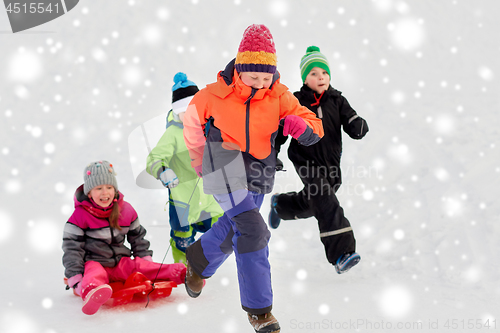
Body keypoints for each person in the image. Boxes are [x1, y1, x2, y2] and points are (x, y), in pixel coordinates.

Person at [182, 24, 324, 333]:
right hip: (223, 166)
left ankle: (198, 260)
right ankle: (260, 312)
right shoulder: (214, 95)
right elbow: (192, 122)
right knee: (253, 231)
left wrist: (301, 127)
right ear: (239, 71)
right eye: (253, 77)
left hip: (258, 171)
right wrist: (197, 159)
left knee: (236, 227)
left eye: (266, 77)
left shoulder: (278, 95)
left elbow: (314, 123)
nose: (260, 84)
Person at [270, 46, 369, 274]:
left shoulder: (337, 100)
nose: (320, 77)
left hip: (331, 163)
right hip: (305, 159)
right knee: (323, 196)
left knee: (317, 201)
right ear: (305, 78)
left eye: (323, 73)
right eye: (313, 73)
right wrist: (272, 155)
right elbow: (280, 131)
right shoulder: (295, 101)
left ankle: (281, 206)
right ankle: (342, 252)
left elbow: (351, 120)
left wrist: (358, 125)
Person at [62, 160, 186, 315]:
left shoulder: (125, 210)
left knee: (140, 267)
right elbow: (72, 248)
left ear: (115, 189)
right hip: (94, 262)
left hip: (120, 262)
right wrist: (75, 278)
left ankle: (181, 273)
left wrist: (145, 261)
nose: (104, 192)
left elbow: (137, 238)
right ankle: (93, 291)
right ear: (89, 192)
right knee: (94, 274)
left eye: (109, 187)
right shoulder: (80, 216)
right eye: (98, 188)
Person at [146, 72, 224, 264]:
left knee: (220, 230)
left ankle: (205, 262)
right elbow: (154, 158)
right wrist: (163, 171)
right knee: (183, 237)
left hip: (210, 197)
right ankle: (183, 267)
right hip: (183, 199)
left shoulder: (211, 128)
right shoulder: (173, 133)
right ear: (177, 112)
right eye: (185, 111)